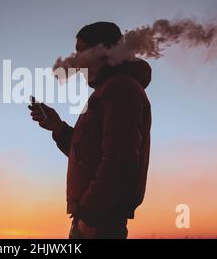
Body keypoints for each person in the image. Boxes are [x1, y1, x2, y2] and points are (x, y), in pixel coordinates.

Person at [29, 22, 152, 239]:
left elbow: (119, 160)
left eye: (81, 51)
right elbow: (89, 155)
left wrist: (90, 217)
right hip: (93, 219)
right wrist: (58, 127)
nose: (76, 60)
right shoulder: (107, 90)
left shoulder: (120, 88)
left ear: (104, 51)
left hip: (99, 222)